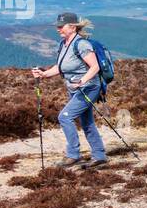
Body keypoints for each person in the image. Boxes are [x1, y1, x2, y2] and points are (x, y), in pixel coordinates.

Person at [30, 12, 107, 169]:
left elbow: (95, 67)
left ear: (72, 27)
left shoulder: (82, 44)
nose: (58, 29)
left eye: (61, 26)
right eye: (57, 26)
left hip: (89, 88)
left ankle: (73, 155)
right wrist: (44, 74)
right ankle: (99, 156)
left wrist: (82, 81)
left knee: (65, 116)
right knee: (87, 122)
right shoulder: (64, 44)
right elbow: (60, 67)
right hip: (75, 89)